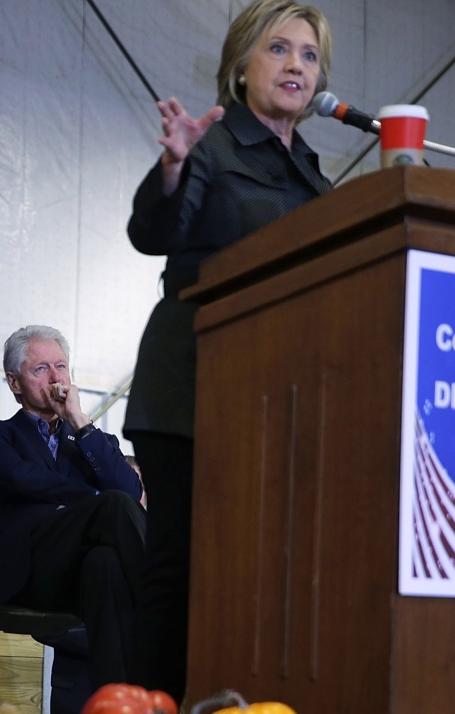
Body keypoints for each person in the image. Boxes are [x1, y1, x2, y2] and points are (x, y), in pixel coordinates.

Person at [123, 0, 333, 700]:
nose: (296, 65)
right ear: (242, 65)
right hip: (191, 384)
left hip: (278, 399)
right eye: (279, 49)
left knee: (261, 573)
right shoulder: (208, 145)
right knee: (180, 567)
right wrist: (174, 164)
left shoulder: (311, 173)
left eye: (308, 55)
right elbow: (154, 231)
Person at [0, 325, 146, 691]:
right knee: (108, 503)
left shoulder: (91, 442)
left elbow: (130, 488)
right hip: (21, 572)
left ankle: (118, 699)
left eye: (61, 367)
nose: (55, 378)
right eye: (40, 369)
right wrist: (92, 500)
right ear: (14, 383)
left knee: (105, 564)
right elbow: (22, 479)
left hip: (74, 577)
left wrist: (79, 420)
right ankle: (167, 605)